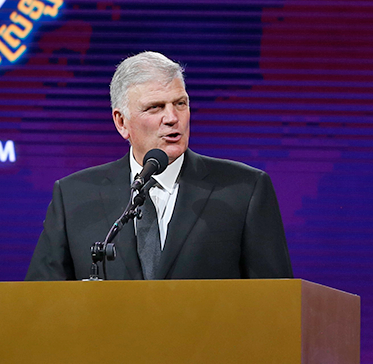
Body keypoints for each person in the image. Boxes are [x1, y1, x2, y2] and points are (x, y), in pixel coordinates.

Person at [25, 51, 292, 281]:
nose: (172, 118)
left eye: (180, 103)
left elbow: (278, 302)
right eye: (154, 107)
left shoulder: (244, 189)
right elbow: (39, 302)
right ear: (121, 122)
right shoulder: (73, 196)